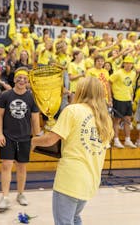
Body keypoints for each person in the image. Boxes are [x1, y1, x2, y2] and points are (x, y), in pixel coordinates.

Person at [31, 76, 114, 225]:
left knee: (64, 222)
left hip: (70, 179)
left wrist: (33, 141)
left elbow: (50, 139)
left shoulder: (72, 110)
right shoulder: (105, 118)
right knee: (75, 218)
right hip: (91, 179)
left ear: (82, 91)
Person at [0, 67, 40, 212]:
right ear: (14, 79)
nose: (21, 80)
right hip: (8, 136)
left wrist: (37, 138)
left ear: (28, 81)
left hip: (25, 137)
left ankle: (20, 194)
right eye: (19, 78)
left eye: (24, 79)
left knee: (21, 166)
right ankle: (5, 197)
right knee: (6, 165)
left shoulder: (31, 97)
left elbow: (35, 119)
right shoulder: (5, 95)